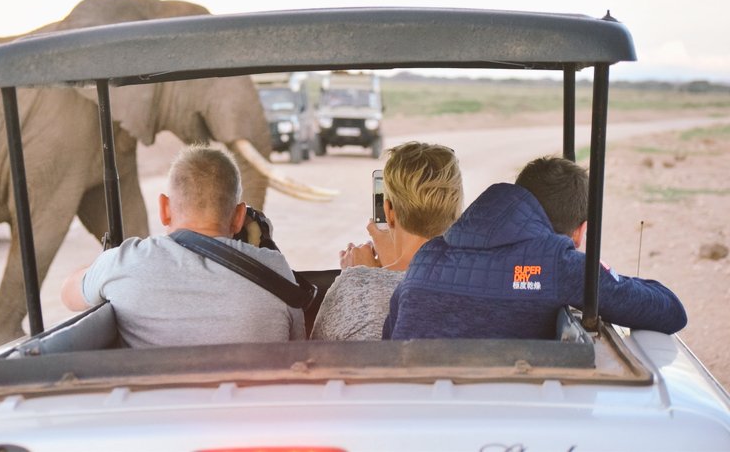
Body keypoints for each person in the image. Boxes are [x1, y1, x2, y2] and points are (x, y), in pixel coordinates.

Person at [384, 156, 687, 340]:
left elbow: (390, 336)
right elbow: (670, 312)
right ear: (579, 233)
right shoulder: (559, 265)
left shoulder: (429, 254)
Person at [61, 144, 305, 347]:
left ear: (164, 209)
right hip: (254, 404)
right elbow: (299, 347)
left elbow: (68, 295)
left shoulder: (123, 262)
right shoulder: (274, 270)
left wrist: (104, 266)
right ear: (239, 217)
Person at [311, 142, 463, 341]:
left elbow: (312, 361)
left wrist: (363, 276)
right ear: (457, 213)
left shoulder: (355, 285)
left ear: (389, 212)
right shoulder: (479, 286)